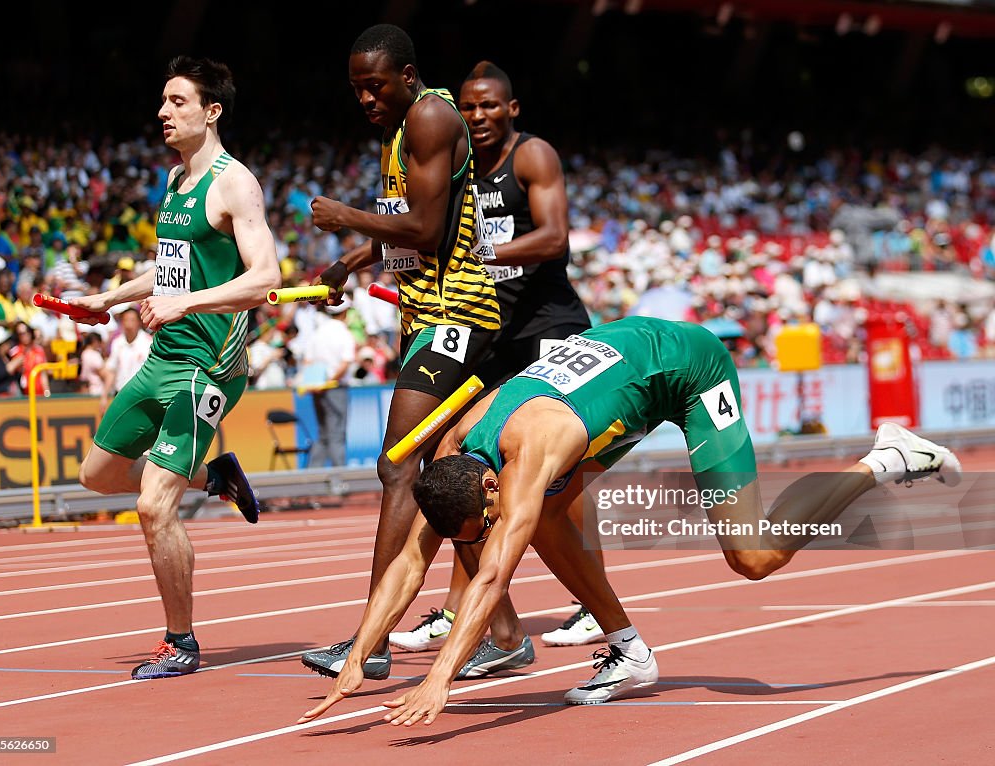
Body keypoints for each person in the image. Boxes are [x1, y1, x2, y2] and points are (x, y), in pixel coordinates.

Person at [298, 315, 962, 725]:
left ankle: (883, 457)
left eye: (492, 514)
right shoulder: (452, 460)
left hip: (687, 368)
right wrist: (360, 654)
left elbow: (495, 572)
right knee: (552, 516)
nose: (492, 530)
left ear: (495, 483)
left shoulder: (529, 453)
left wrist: (440, 679)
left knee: (753, 556)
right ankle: (631, 652)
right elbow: (412, 561)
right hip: (619, 372)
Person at [68, 55, 281, 680]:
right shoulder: (174, 182)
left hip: (209, 366)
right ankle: (216, 477)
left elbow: (266, 278)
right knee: (97, 476)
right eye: (163, 101)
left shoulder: (233, 182)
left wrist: (186, 301)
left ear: (211, 111)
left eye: (178, 102)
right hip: (164, 357)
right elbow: (171, 271)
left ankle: (181, 642)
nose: (163, 112)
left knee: (153, 505)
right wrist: (109, 298)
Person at [300, 23, 502, 679]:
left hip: (459, 315)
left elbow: (425, 226)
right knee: (443, 479)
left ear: (407, 77)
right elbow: (410, 240)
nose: (364, 97)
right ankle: (504, 630)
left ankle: (373, 639)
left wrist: (347, 219)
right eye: (356, 88)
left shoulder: (432, 116)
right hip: (428, 318)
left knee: (398, 466)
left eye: (374, 85)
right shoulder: (402, 131)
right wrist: (349, 264)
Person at [389, 61, 600, 664]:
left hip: (550, 330)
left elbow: (556, 237)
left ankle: (589, 606)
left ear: (512, 109)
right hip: (493, 336)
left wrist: (491, 252)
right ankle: (471, 614)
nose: (477, 117)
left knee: (562, 475)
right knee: (461, 458)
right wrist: (354, 261)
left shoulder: (531, 157)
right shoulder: (456, 166)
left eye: (488, 107)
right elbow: (421, 230)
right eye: (468, 107)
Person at [299, 295, 357, 468]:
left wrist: (317, 383)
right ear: (345, 312)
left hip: (318, 388)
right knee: (336, 433)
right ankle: (339, 480)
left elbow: (308, 361)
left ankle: (312, 479)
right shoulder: (344, 333)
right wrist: (328, 381)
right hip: (335, 387)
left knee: (323, 433)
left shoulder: (318, 332)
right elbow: (345, 363)